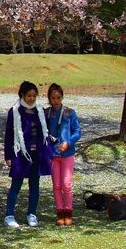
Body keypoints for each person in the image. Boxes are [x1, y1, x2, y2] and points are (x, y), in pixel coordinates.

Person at [3, 81, 49, 228]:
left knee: (34, 185)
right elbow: (9, 135)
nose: (31, 99)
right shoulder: (15, 111)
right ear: (22, 95)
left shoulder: (40, 111)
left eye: (34, 96)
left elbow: (45, 132)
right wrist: (8, 156)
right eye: (29, 95)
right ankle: (9, 215)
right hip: (20, 153)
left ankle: (32, 214)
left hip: (37, 154)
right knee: (16, 184)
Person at [46, 82, 81, 226]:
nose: (56, 101)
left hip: (67, 153)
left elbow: (77, 131)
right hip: (53, 154)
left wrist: (69, 142)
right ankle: (60, 212)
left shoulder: (69, 113)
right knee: (56, 185)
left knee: (66, 184)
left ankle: (68, 212)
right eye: (53, 98)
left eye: (58, 97)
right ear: (49, 98)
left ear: (62, 97)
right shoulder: (46, 113)